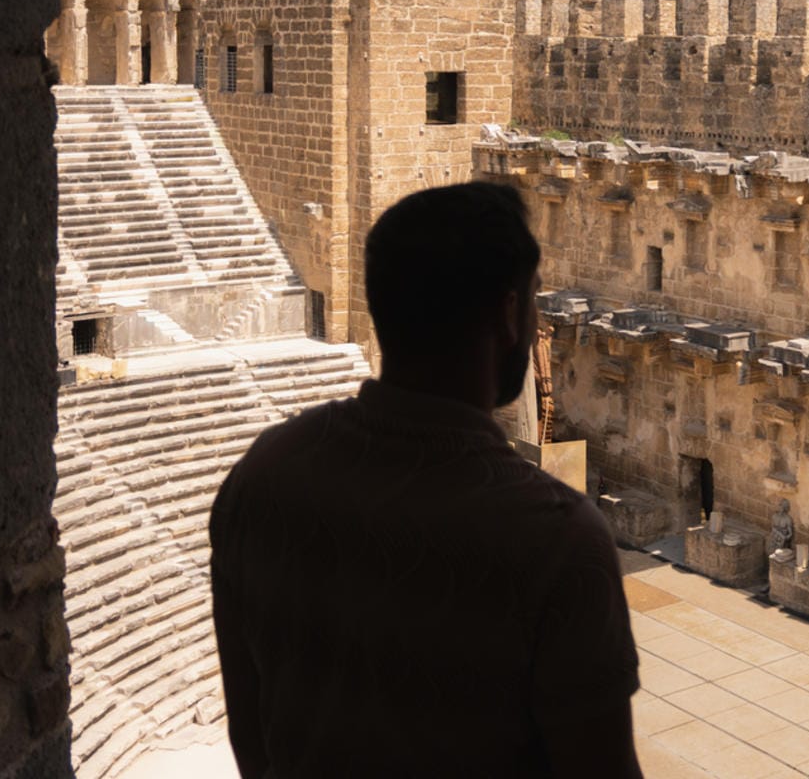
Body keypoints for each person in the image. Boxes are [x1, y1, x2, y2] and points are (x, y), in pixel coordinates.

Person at [209, 182, 642, 778]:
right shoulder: (558, 543)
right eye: (534, 300)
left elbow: (252, 740)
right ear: (510, 314)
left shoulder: (263, 478)